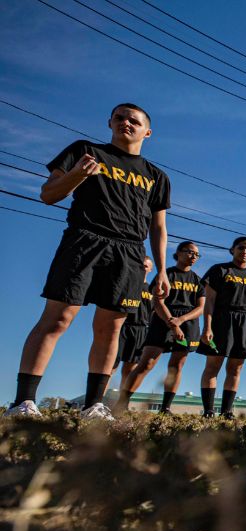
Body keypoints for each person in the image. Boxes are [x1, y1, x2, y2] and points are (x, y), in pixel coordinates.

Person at [6, 104, 171, 420]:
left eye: (134, 120)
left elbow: (159, 227)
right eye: (119, 118)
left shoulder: (157, 176)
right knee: (57, 319)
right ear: (109, 122)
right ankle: (23, 402)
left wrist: (162, 270)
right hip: (84, 241)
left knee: (110, 329)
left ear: (147, 132)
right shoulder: (85, 151)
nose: (126, 123)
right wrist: (77, 175)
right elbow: (48, 194)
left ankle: (94, 405)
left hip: (129, 252)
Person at [114, 241, 204, 415]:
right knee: (147, 363)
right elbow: (157, 301)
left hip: (187, 322)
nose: (193, 256)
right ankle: (121, 403)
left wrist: (181, 320)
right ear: (178, 253)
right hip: (163, 319)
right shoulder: (166, 275)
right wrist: (172, 322)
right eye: (189, 252)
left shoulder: (197, 280)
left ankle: (166, 408)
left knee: (177, 365)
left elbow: (200, 308)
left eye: (196, 254)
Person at [197, 237, 246, 419]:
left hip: (245, 324)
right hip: (222, 320)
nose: (245, 252)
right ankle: (208, 411)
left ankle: (226, 411)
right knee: (213, 365)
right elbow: (209, 301)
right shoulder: (219, 270)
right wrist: (207, 327)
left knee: (236, 368)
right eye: (241, 248)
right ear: (232, 249)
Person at [113, 256, 155, 385]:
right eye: (141, 265)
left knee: (129, 369)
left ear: (150, 269)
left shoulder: (151, 290)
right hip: (122, 327)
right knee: (111, 365)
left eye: (146, 266)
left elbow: (153, 312)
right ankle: (96, 400)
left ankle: (121, 403)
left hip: (141, 330)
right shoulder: (125, 284)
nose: (143, 268)